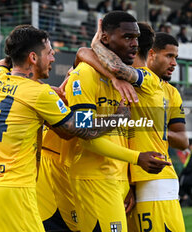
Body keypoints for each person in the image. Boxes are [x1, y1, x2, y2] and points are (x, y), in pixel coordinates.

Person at [0, 24, 131, 232]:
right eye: (49, 53)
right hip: (16, 189)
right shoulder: (39, 94)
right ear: (33, 57)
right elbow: (80, 128)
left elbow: (5, 62)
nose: (53, 58)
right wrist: (116, 118)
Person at [61, 12, 169, 231]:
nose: (134, 44)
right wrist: (137, 158)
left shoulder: (126, 79)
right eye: (127, 37)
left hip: (116, 179)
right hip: (94, 179)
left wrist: (126, 181)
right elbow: (86, 135)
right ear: (106, 38)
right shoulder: (84, 75)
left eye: (136, 38)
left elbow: (119, 137)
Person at [87, 24, 188, 231]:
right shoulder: (122, 82)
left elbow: (113, 65)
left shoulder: (147, 79)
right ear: (150, 53)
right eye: (169, 56)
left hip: (155, 180)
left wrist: (96, 42)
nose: (174, 63)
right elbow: (85, 56)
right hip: (133, 180)